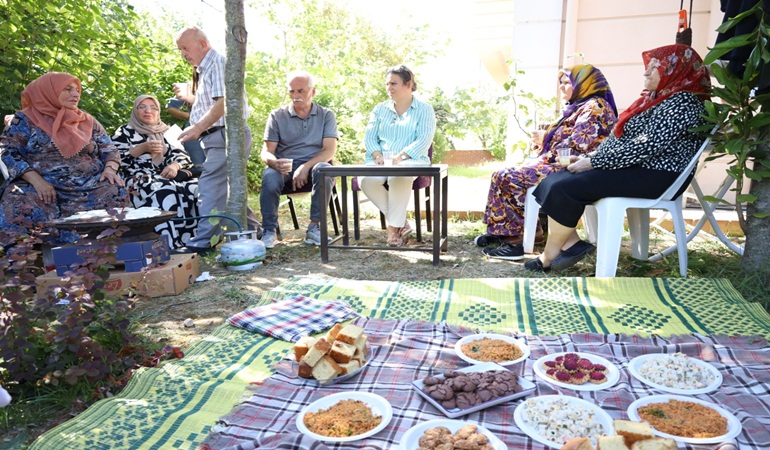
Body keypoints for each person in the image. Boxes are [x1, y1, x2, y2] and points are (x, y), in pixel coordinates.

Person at [525, 44, 711, 272]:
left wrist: (593, 162)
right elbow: (622, 141)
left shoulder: (683, 102)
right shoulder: (658, 98)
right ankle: (571, 246)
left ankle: (549, 256)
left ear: (675, 70)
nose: (645, 72)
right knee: (554, 180)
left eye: (654, 67)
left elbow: (647, 145)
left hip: (655, 175)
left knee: (566, 186)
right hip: (636, 167)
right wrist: (592, 156)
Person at [477, 64, 618, 261]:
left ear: (584, 84)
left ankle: (516, 241)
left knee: (508, 176)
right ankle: (505, 231)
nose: (561, 86)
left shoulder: (595, 108)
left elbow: (578, 146)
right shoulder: (579, 107)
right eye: (560, 82)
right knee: (503, 173)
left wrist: (543, 152)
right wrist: (545, 141)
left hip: (576, 167)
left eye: (567, 82)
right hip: (562, 163)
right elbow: (566, 140)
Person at [0, 72, 126, 246]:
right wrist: (36, 181)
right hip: (41, 184)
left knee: (115, 190)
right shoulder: (25, 120)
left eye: (77, 90)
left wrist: (110, 169)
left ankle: (110, 253)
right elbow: (7, 151)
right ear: (49, 91)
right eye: (67, 89)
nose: (75, 94)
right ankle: (22, 262)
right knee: (18, 198)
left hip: (88, 184)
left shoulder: (87, 120)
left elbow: (109, 149)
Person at [173, 26, 261, 255]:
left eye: (185, 47)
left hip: (226, 135)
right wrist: (189, 99)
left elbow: (224, 103)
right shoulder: (206, 68)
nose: (182, 53)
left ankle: (204, 241)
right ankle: (254, 230)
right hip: (219, 136)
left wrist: (198, 127)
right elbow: (211, 103)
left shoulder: (217, 63)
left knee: (210, 185)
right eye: (180, 49)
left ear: (202, 43)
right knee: (229, 188)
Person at [259, 71, 338, 248]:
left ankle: (314, 228)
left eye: (301, 91)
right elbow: (266, 152)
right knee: (270, 176)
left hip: (315, 165)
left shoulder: (326, 115)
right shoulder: (277, 116)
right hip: (285, 167)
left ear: (313, 91)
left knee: (324, 169)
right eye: (292, 92)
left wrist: (305, 167)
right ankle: (269, 231)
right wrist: (274, 162)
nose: (296, 96)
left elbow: (329, 150)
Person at [360, 65, 436, 247]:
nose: (389, 88)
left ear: (408, 84)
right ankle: (401, 222)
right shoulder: (379, 109)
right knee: (365, 180)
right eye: (387, 84)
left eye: (393, 83)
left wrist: (399, 158)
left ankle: (393, 229)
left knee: (397, 175)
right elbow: (369, 137)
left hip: (412, 161)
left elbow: (423, 140)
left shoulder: (424, 110)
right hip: (380, 161)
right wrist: (377, 155)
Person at [112, 95, 200, 249]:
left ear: (159, 111)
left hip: (169, 175)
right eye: (142, 107)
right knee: (164, 190)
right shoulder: (124, 132)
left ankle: (195, 241)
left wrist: (174, 166)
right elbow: (115, 161)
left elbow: (183, 156)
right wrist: (141, 149)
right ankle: (168, 244)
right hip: (138, 177)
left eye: (153, 107)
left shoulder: (169, 131)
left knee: (195, 187)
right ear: (135, 110)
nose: (148, 111)